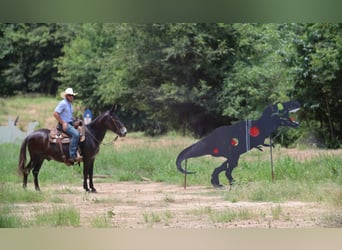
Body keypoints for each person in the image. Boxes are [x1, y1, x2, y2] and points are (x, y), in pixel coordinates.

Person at [53, 87, 82, 163]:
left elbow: (69, 116)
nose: (71, 97)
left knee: (82, 130)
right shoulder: (63, 103)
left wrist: (76, 120)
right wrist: (63, 123)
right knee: (76, 134)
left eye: (72, 95)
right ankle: (72, 156)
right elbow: (55, 113)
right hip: (64, 125)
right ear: (66, 96)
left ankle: (79, 151)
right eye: (69, 95)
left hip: (70, 123)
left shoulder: (70, 104)